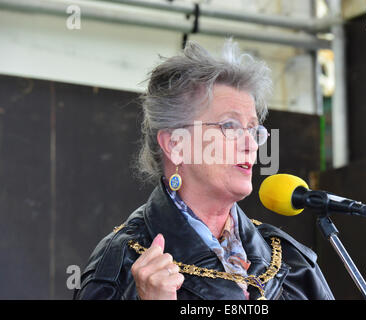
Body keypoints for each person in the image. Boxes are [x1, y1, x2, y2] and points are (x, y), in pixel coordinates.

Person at [74, 39, 334, 300]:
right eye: (230, 126)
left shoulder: (291, 261)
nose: (250, 144)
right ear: (176, 144)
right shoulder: (120, 265)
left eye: (254, 129)